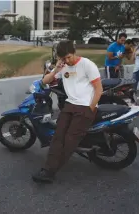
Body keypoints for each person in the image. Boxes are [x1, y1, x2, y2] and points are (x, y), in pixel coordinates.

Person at [32, 40, 103, 183]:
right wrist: (57, 70)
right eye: (63, 58)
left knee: (70, 140)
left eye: (68, 57)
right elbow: (45, 81)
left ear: (74, 52)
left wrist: (90, 109)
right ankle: (48, 168)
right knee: (57, 138)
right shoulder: (62, 66)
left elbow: (98, 89)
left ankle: (49, 171)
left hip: (85, 106)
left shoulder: (87, 64)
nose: (67, 61)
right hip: (70, 105)